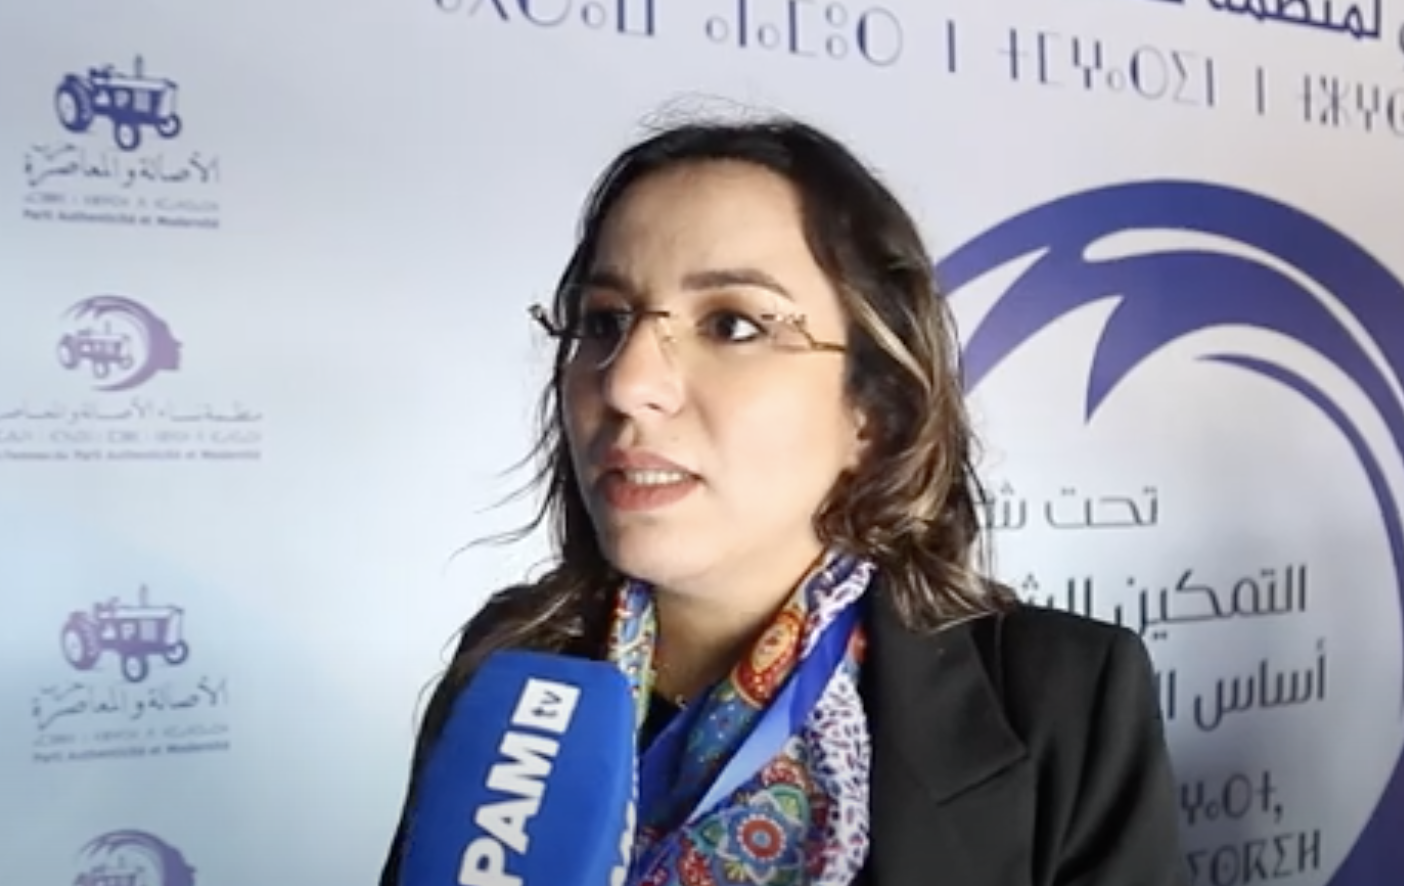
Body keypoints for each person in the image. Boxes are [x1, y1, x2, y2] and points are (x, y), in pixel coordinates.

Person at [378, 115, 1189, 886]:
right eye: (604, 321)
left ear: (873, 412)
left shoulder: (1063, 699)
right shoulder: (512, 667)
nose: (627, 382)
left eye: (733, 325)